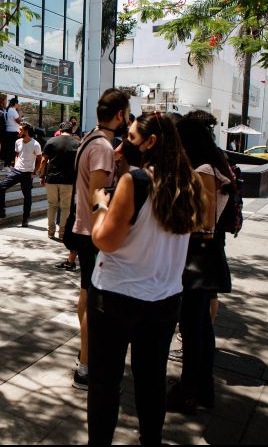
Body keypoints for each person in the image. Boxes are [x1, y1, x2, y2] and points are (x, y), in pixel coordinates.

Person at [87, 111, 205, 445]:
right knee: (151, 379)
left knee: (104, 383)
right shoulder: (189, 183)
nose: (122, 148)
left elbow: (105, 239)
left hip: (116, 297)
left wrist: (99, 205)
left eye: (131, 139)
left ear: (150, 142)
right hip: (165, 299)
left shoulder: (136, 182)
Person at [168, 110, 237, 415]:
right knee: (200, 328)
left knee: (194, 328)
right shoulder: (212, 165)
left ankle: (189, 392)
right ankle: (200, 389)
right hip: (205, 255)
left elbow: (204, 223)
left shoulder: (205, 170)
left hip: (199, 256)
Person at [72, 88, 131, 391]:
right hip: (91, 232)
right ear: (120, 114)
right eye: (128, 112)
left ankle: (85, 355)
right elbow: (98, 193)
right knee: (93, 302)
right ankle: (86, 367)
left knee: (86, 295)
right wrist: (104, 233)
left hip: (84, 230)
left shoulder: (93, 140)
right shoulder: (102, 148)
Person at [0, 123, 42, 227]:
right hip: (16, 171)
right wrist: (16, 164)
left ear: (26, 131)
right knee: (1, 186)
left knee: (27, 196)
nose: (18, 131)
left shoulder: (35, 144)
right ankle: (1, 210)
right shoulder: (18, 141)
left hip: (27, 173)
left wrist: (34, 171)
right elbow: (17, 154)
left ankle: (25, 218)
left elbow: (39, 159)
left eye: (20, 129)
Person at [39, 121, 80, 242]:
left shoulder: (51, 141)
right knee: (66, 207)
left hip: (51, 178)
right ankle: (62, 233)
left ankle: (50, 231)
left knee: (52, 205)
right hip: (68, 180)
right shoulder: (77, 143)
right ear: (72, 130)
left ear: (60, 130)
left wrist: (42, 176)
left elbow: (43, 160)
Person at [3, 97, 22, 169]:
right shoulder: (13, 111)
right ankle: (8, 165)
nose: (18, 105)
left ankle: (7, 164)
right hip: (13, 132)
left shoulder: (7, 110)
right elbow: (18, 121)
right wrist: (20, 117)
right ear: (15, 104)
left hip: (8, 131)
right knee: (12, 149)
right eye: (17, 103)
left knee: (9, 148)